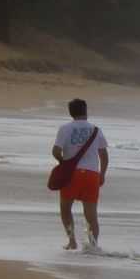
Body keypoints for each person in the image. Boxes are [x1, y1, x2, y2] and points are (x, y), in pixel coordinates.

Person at [52, 98, 109, 250]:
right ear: (85, 111)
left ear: (71, 113)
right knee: (91, 215)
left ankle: (72, 241)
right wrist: (102, 174)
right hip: (91, 174)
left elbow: (56, 151)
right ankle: (93, 246)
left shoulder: (65, 128)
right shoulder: (96, 130)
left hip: (72, 174)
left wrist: (63, 162)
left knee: (65, 209)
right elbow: (103, 154)